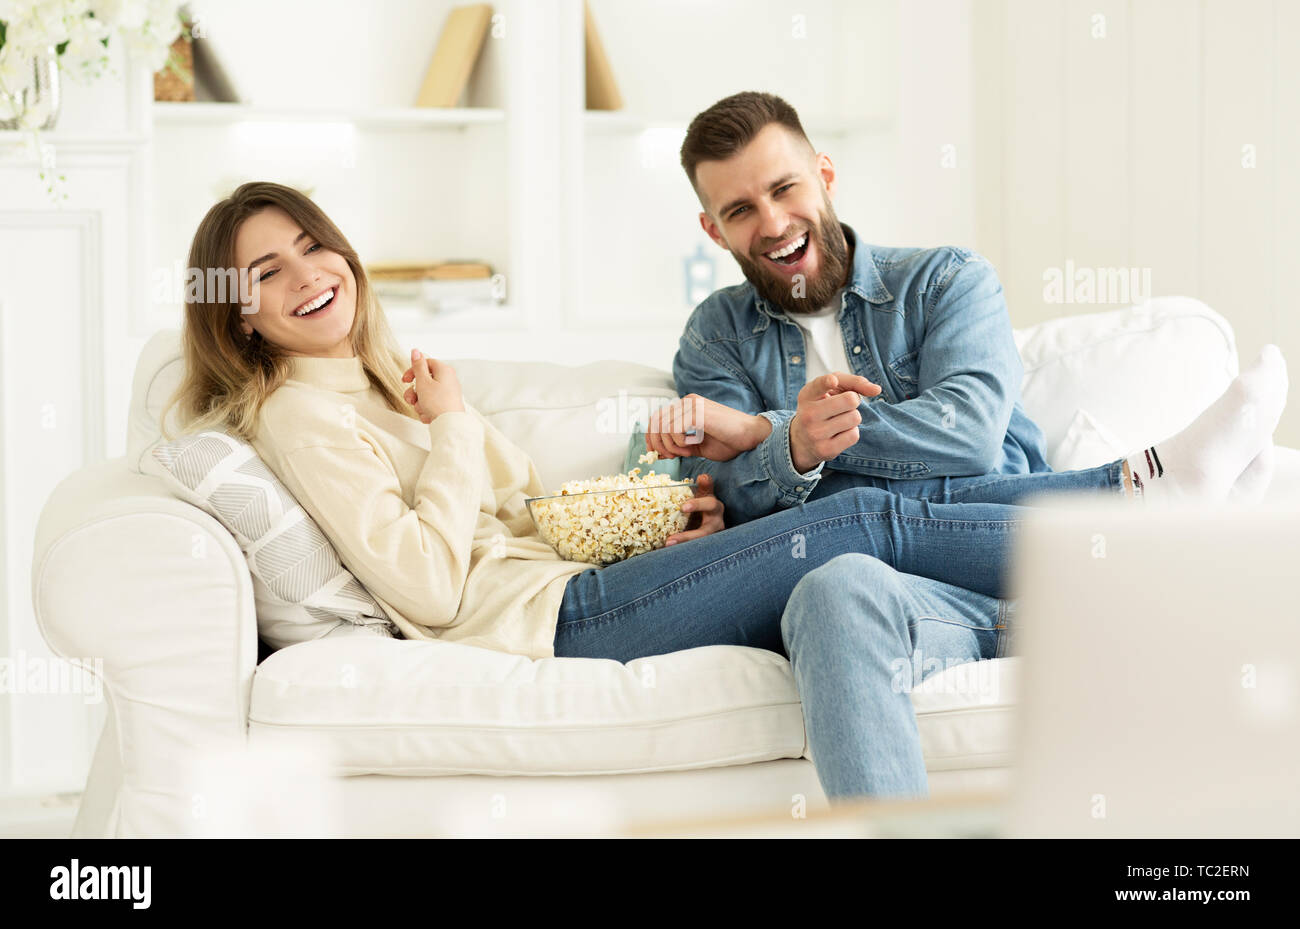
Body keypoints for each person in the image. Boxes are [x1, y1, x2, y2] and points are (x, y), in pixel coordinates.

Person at [158, 182, 1273, 804]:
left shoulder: (384, 383)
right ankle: (1141, 492)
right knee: (846, 518)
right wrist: (453, 428)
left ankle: (1138, 512)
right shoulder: (298, 412)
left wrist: (655, 519)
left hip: (578, 587)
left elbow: (517, 515)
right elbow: (430, 585)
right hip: (551, 624)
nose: (308, 275)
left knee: (850, 537)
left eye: (313, 246)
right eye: (268, 272)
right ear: (237, 314)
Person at [644, 91, 1288, 526]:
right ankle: (1148, 488)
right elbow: (721, 497)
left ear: (826, 177)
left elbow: (972, 436)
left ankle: (1155, 491)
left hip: (982, 541)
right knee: (834, 576)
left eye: (785, 188)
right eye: (740, 210)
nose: (773, 222)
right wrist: (787, 453)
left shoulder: (946, 279)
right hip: (837, 568)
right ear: (713, 232)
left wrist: (778, 440)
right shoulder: (715, 334)